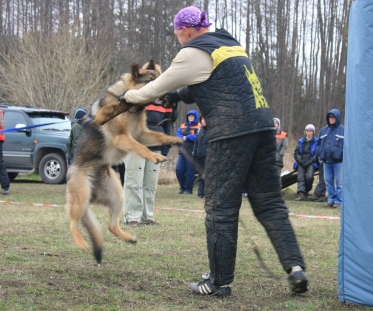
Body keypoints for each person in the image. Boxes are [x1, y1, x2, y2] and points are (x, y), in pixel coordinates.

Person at [117, 6, 308, 296]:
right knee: (269, 203)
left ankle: (219, 282)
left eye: (177, 33)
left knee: (220, 208)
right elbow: (206, 85)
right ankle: (296, 269)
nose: (178, 38)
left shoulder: (192, 51)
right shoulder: (229, 45)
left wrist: (125, 97)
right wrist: (177, 95)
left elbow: (150, 91)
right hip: (264, 127)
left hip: (230, 133)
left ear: (186, 30)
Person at [124, 97, 175, 226]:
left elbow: (168, 124)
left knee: (150, 185)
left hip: (155, 147)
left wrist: (166, 144)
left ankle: (147, 217)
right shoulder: (135, 95)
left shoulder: (165, 101)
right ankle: (132, 217)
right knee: (134, 183)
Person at [317, 109, 344, 208]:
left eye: (333, 117)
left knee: (339, 182)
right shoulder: (323, 130)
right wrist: (320, 154)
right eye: (330, 117)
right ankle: (331, 200)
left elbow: (347, 146)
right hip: (326, 161)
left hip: (339, 161)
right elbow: (319, 144)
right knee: (328, 181)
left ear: (337, 118)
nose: (331, 119)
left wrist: (342, 155)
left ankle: (339, 201)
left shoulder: (343, 130)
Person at [175, 109, 200, 194]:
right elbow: (177, 133)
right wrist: (182, 137)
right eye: (189, 116)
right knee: (179, 169)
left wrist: (187, 137)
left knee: (190, 172)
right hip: (182, 151)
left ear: (195, 117)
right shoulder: (183, 125)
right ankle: (182, 187)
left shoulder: (199, 126)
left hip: (192, 152)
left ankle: (189, 189)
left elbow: (197, 136)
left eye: (192, 116)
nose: (191, 117)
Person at [294, 124, 318, 201]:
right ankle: (301, 194)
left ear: (313, 132)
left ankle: (307, 190)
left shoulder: (316, 141)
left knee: (309, 177)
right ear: (305, 132)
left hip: (311, 162)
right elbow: (296, 152)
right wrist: (299, 160)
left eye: (311, 131)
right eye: (308, 131)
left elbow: (317, 154)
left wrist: (311, 161)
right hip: (301, 161)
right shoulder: (300, 141)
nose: (309, 132)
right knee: (300, 177)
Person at [192, 115, 208, 199]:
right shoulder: (199, 130)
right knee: (200, 175)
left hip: (208, 156)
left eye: (204, 119)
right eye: (202, 120)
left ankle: (206, 194)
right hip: (199, 156)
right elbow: (196, 143)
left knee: (207, 176)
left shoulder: (211, 130)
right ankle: (200, 194)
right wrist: (194, 153)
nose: (203, 121)